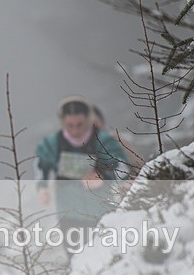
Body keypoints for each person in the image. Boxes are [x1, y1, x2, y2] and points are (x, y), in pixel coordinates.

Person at [35, 96, 129, 241]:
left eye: (79, 124)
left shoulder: (103, 140)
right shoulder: (53, 143)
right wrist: (42, 187)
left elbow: (122, 168)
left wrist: (103, 175)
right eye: (70, 125)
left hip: (101, 213)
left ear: (88, 120)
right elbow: (41, 164)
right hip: (68, 214)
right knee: (76, 258)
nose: (75, 129)